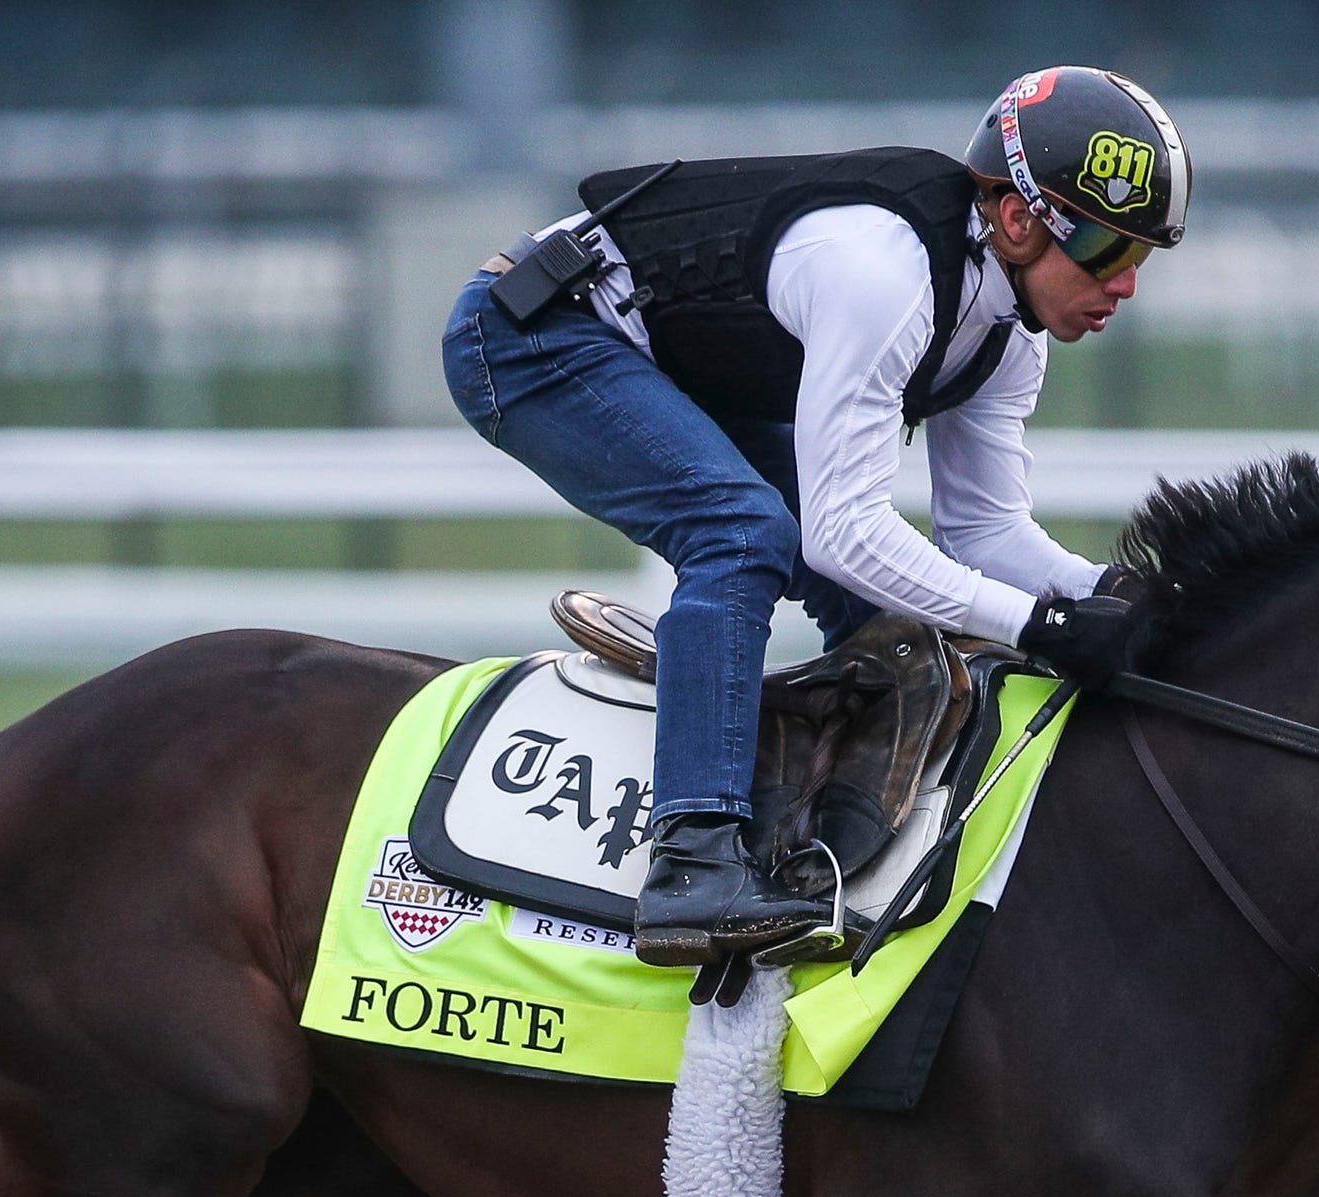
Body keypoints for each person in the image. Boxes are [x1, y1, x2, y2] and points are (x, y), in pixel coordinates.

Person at [441, 65, 1188, 967]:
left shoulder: (1007, 333)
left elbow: (985, 535)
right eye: (1111, 250)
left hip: (664, 356)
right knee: (742, 530)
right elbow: (842, 533)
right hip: (532, 333)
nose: (1128, 286)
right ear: (1021, 218)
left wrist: (1117, 597)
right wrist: (1044, 623)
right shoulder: (889, 278)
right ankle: (691, 861)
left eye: (1143, 258)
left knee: (892, 627)